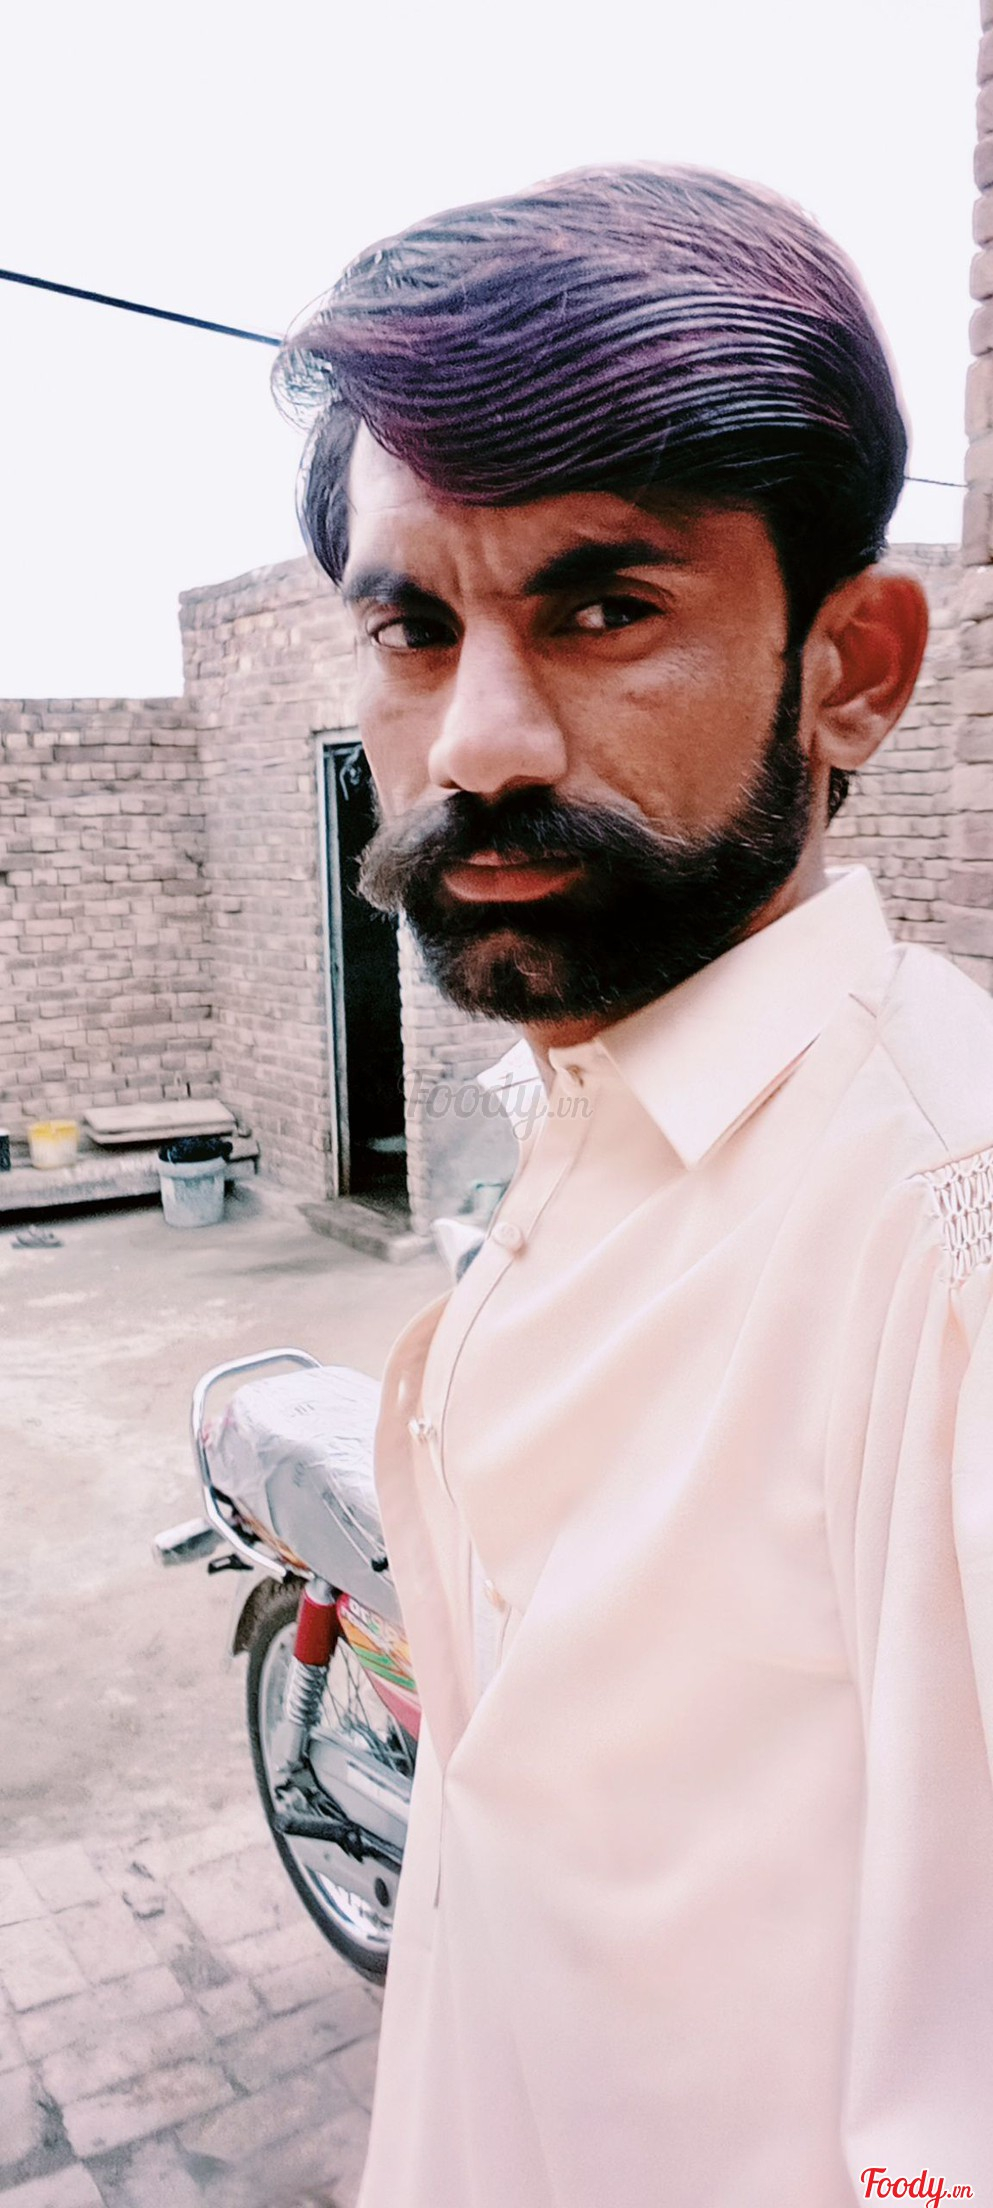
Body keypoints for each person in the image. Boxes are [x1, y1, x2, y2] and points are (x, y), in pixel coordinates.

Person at [274, 166, 993, 2207]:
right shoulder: (593, 1115)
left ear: (848, 667)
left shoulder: (940, 1249)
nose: (478, 746)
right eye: (414, 630)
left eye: (603, 610)